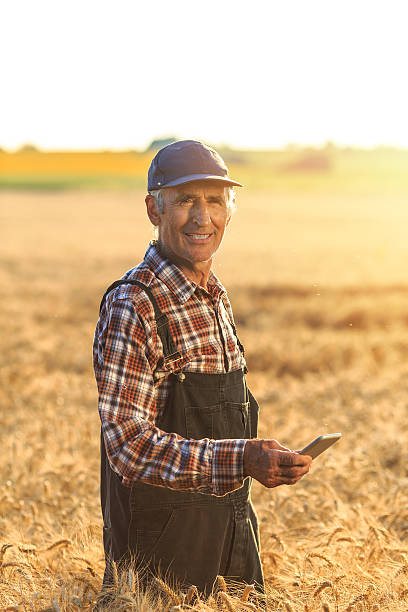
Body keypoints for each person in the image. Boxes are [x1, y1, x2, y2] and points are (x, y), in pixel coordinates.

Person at [93, 140, 312, 600]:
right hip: (159, 561)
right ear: (154, 208)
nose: (202, 217)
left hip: (232, 542)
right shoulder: (134, 304)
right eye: (186, 200)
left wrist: (266, 461)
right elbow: (127, 446)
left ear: (230, 210)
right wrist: (241, 458)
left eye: (214, 200)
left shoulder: (215, 296)